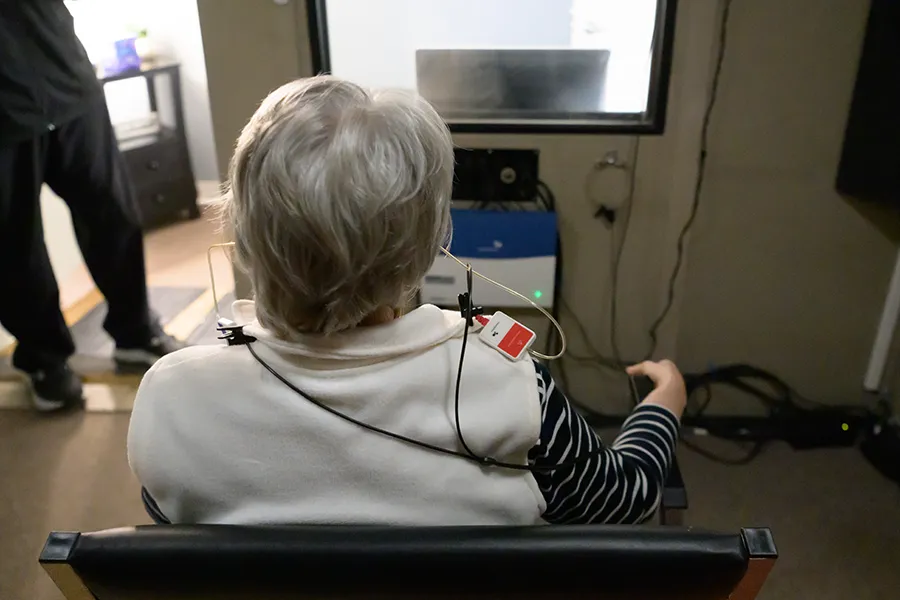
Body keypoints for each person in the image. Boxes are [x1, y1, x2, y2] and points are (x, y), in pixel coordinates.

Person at [127, 76, 686, 526]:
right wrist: (664, 404)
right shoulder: (510, 382)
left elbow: (177, 518)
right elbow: (621, 499)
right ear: (426, 247)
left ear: (243, 230)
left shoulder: (171, 397)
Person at [0, 2, 183, 412]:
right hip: (4, 114)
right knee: (14, 246)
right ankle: (44, 359)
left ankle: (135, 333)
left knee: (113, 215)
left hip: (67, 79)